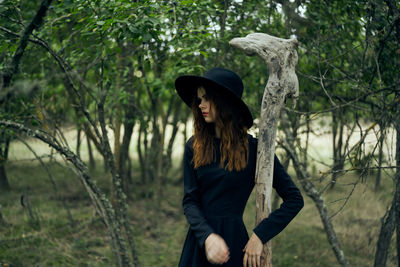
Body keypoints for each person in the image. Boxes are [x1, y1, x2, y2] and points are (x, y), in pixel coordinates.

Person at [175, 67, 304, 267]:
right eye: (199, 99)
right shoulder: (194, 146)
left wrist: (260, 236)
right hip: (199, 244)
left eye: (207, 98)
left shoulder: (255, 150)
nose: (201, 104)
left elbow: (295, 199)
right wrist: (207, 237)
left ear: (225, 102)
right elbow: (190, 202)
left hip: (235, 245)